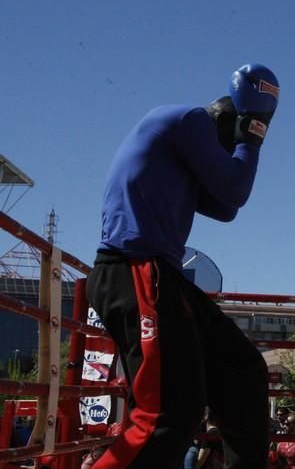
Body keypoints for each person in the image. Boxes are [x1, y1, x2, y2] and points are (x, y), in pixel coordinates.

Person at [85, 64, 280, 468]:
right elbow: (235, 188)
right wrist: (253, 137)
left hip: (159, 276)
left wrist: (242, 145)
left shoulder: (176, 158)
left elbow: (226, 207)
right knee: (166, 415)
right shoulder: (189, 119)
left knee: (242, 369)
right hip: (133, 269)